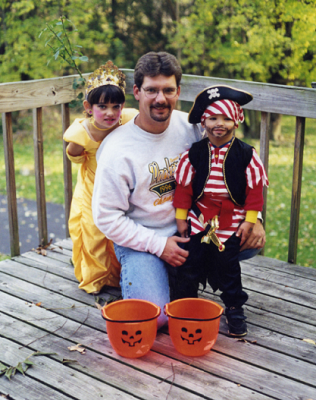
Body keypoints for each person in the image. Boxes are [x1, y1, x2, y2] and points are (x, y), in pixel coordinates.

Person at [92, 52, 266, 329]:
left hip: (192, 230)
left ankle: (184, 274)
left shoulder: (193, 127)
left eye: (168, 90)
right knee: (157, 318)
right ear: (137, 92)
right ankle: (157, 273)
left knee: (246, 243)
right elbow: (106, 217)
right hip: (143, 241)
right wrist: (159, 246)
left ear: (178, 92)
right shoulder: (117, 150)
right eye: (151, 90)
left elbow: (233, 170)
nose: (160, 98)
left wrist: (253, 219)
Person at [169, 85, 269, 336]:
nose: (219, 124)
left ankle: (234, 307)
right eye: (213, 118)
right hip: (199, 217)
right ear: (204, 122)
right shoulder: (195, 153)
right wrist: (181, 218)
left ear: (236, 121)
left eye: (226, 118)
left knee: (228, 265)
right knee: (190, 261)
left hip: (231, 219)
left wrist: (250, 220)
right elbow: (184, 188)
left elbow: (254, 191)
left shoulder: (246, 154)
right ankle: (185, 304)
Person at [63, 61, 138, 294]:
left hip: (117, 185)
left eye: (116, 106)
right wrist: (80, 151)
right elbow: (75, 156)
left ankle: (116, 275)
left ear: (123, 106)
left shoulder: (128, 120)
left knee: (117, 229)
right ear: (88, 107)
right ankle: (95, 278)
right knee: (93, 231)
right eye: (102, 106)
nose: (110, 113)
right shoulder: (82, 133)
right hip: (92, 185)